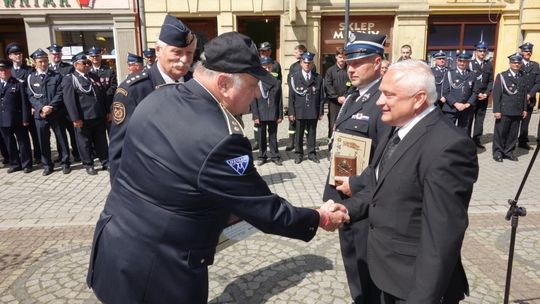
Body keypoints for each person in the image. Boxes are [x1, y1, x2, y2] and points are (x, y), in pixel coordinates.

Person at [86, 31, 349, 304]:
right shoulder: (221, 139)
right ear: (223, 83)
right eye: (252, 85)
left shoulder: (158, 97)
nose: (258, 94)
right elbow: (266, 210)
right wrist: (320, 217)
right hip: (159, 270)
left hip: (114, 247)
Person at [330, 59, 479, 303]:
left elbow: (441, 237)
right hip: (386, 273)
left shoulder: (448, 147)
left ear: (418, 99)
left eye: (388, 95)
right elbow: (378, 182)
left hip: (413, 285)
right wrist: (347, 209)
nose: (379, 102)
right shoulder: (398, 126)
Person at [323, 32, 391, 304]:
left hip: (364, 201)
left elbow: (386, 159)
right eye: (349, 62)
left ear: (377, 63)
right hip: (343, 193)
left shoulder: (382, 100)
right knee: (352, 262)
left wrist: (357, 185)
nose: (350, 68)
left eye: (358, 62)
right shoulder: (353, 96)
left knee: (366, 265)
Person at [108, 15, 196, 182]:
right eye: (177, 52)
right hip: (151, 181)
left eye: (189, 53)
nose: (184, 60)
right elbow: (119, 150)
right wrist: (122, 196)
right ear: (158, 50)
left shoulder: (196, 83)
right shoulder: (134, 90)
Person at [62, 52, 109, 175]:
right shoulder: (70, 79)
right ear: (76, 65)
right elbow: (69, 101)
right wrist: (75, 118)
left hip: (98, 115)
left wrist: (107, 111)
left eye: (88, 63)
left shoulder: (93, 76)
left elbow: (102, 96)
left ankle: (105, 161)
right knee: (84, 142)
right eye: (84, 63)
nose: (87, 65)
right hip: (83, 117)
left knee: (101, 141)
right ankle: (88, 164)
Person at [27, 48, 70, 175]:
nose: (43, 64)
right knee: (43, 141)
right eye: (40, 61)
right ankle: (47, 165)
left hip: (55, 113)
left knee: (61, 139)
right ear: (35, 62)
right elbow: (30, 96)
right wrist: (41, 108)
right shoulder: (31, 78)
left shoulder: (56, 76)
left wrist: (50, 107)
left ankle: (65, 162)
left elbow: (60, 93)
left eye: (45, 61)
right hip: (40, 115)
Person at [6, 42, 41, 164]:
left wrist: (32, 106)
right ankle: (23, 157)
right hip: (15, 109)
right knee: (21, 137)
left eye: (20, 53)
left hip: (29, 107)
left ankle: (38, 156)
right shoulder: (7, 70)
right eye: (15, 54)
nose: (18, 55)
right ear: (10, 56)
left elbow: (33, 89)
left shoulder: (30, 70)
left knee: (35, 134)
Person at [288, 51, 324, 164]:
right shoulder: (294, 77)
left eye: (309, 62)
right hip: (299, 110)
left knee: (312, 133)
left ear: (312, 64)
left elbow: (321, 97)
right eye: (305, 62)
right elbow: (291, 97)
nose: (307, 64)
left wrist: (320, 111)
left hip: (313, 110)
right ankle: (299, 154)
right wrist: (291, 112)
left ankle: (311, 153)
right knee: (299, 133)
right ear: (301, 63)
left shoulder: (318, 78)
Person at [47, 43, 80, 164]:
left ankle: (77, 153)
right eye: (54, 54)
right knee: (59, 134)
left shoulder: (68, 67)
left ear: (61, 55)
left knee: (73, 132)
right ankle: (62, 155)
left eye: (58, 54)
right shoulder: (47, 69)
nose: (56, 56)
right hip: (55, 108)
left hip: (67, 107)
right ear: (50, 55)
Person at [492, 53, 528, 162]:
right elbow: (497, 94)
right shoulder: (502, 76)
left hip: (517, 110)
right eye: (514, 62)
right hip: (504, 110)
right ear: (510, 63)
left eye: (518, 62)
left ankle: (509, 152)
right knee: (500, 132)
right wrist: (497, 110)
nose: (516, 64)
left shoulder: (523, 76)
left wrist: (525, 108)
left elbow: (524, 94)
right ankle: (498, 152)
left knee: (513, 133)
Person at [0, 58, 33, 173]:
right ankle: (15, 164)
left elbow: (25, 103)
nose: (3, 72)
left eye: (5, 70)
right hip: (2, 120)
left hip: (17, 119)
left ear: (10, 70)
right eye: (1, 70)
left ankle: (27, 164)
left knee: (23, 142)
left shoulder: (18, 84)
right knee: (9, 143)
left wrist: (25, 118)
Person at [251, 56, 283, 166]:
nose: (267, 69)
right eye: (264, 67)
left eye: (269, 67)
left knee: (273, 136)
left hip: (273, 112)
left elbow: (279, 100)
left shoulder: (276, 81)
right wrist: (255, 115)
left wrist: (280, 115)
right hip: (260, 112)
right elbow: (253, 99)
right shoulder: (256, 81)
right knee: (261, 136)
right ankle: (261, 156)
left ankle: (275, 156)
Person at [441, 51, 478, 130]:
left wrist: (467, 104)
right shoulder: (449, 73)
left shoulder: (472, 75)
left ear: (468, 62)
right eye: (460, 61)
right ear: (457, 61)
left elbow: (475, 92)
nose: (462, 63)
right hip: (451, 108)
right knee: (449, 132)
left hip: (466, 109)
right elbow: (445, 92)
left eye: (464, 61)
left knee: (464, 132)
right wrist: (456, 104)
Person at [469, 41, 494, 149]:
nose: (482, 53)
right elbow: (468, 81)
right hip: (472, 97)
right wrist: (476, 93)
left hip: (483, 97)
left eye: (484, 51)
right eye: (480, 51)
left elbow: (491, 81)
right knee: (469, 119)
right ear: (476, 52)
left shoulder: (488, 64)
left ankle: (477, 139)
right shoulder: (470, 64)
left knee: (480, 120)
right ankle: (467, 140)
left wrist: (486, 93)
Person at [517, 42, 540, 149]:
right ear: (522, 52)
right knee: (515, 121)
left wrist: (530, 94)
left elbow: (538, 82)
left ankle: (522, 141)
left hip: (530, 99)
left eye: (530, 51)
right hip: (517, 98)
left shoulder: (535, 65)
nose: (528, 53)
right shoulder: (516, 63)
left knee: (526, 122)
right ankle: (510, 141)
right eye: (526, 51)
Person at [324, 47, 350, 139]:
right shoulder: (330, 71)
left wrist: (346, 97)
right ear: (336, 57)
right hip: (334, 103)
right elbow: (328, 86)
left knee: (347, 122)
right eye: (340, 57)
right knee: (333, 124)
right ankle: (331, 143)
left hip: (347, 101)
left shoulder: (350, 70)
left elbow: (353, 85)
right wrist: (337, 97)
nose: (342, 59)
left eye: (344, 57)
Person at [88, 46, 116, 131]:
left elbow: (114, 86)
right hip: (95, 107)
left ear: (101, 57)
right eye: (92, 56)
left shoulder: (109, 70)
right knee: (99, 135)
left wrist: (104, 95)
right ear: (89, 58)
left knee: (111, 131)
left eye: (97, 56)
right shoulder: (87, 71)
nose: (95, 58)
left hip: (108, 103)